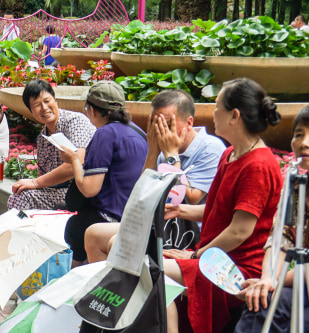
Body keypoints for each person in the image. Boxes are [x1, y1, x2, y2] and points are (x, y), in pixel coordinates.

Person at [175, 104, 309, 333]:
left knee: (268, 303)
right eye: (299, 134)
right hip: (301, 289)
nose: (304, 142)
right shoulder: (295, 180)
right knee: (263, 303)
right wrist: (267, 281)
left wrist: (272, 282)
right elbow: (280, 238)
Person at [162, 78, 282, 333]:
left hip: (236, 266)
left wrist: (196, 254)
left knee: (152, 267)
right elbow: (218, 211)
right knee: (149, 259)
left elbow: (241, 230)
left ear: (234, 116)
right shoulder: (231, 154)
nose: (211, 114)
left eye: (217, 107)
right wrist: (181, 211)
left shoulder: (257, 164)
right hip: (214, 254)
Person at [84, 89, 226, 264]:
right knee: (93, 234)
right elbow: (142, 193)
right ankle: (105, 290)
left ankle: (133, 291)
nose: (160, 130)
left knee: (117, 244)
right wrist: (152, 151)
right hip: (161, 226)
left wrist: (172, 156)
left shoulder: (210, 147)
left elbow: (190, 198)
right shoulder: (162, 151)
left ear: (189, 123)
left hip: (189, 233)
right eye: (154, 123)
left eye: (167, 123)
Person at [58, 81, 147, 263]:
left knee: (72, 229)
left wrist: (74, 160)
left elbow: (89, 189)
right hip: (136, 218)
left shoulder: (105, 134)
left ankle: (75, 283)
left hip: (109, 218)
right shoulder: (138, 132)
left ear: (92, 110)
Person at [8, 79, 96, 210]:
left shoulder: (75, 122)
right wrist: (34, 184)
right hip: (61, 192)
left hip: (86, 191)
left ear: (55, 100)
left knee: (23, 197)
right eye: (37, 105)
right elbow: (43, 179)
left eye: (47, 101)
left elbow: (76, 162)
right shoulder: (43, 139)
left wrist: (34, 183)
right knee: (19, 195)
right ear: (31, 111)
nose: (44, 108)